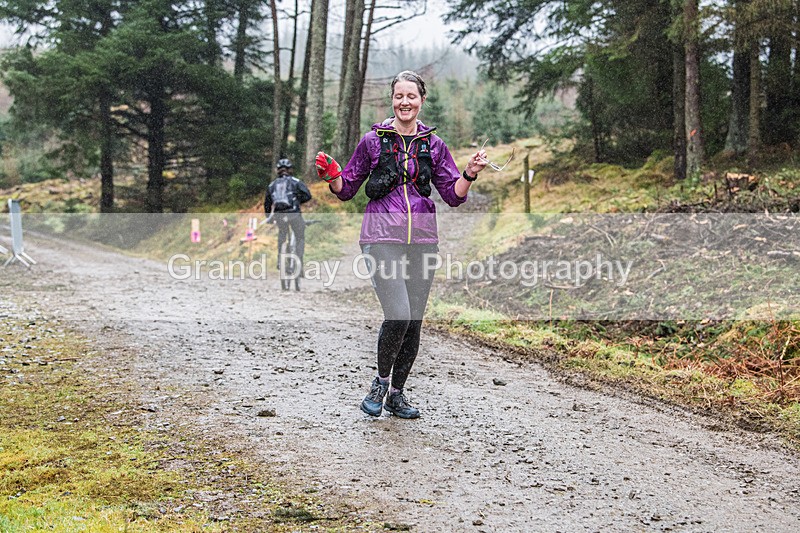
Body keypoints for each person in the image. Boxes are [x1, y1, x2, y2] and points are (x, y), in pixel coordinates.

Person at [314, 70, 488, 419]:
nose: (404, 102)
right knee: (399, 314)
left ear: (421, 100)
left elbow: (453, 196)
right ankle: (379, 382)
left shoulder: (433, 145)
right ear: (391, 100)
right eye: (399, 96)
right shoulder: (372, 141)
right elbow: (347, 189)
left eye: (411, 96)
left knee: (415, 320)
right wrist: (333, 176)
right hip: (380, 237)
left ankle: (397, 394)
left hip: (423, 241)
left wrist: (468, 173)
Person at [264, 158, 312, 271]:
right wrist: (298, 201)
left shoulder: (272, 185)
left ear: (278, 171)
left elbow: (267, 203)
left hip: (279, 215)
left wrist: (268, 218)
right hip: (294, 214)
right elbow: (307, 195)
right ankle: (299, 263)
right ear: (290, 170)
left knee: (282, 234)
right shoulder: (295, 181)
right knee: (300, 237)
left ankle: (280, 259)